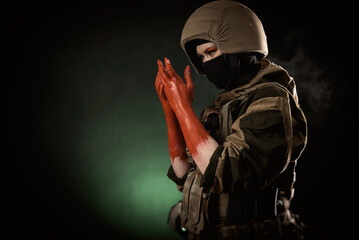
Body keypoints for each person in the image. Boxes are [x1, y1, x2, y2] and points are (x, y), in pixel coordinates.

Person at [155, 1, 307, 239]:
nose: (206, 63)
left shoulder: (271, 99)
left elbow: (227, 172)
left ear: (239, 44)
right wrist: (172, 111)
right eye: (201, 57)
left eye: (211, 52)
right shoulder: (223, 106)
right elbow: (184, 176)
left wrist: (183, 106)